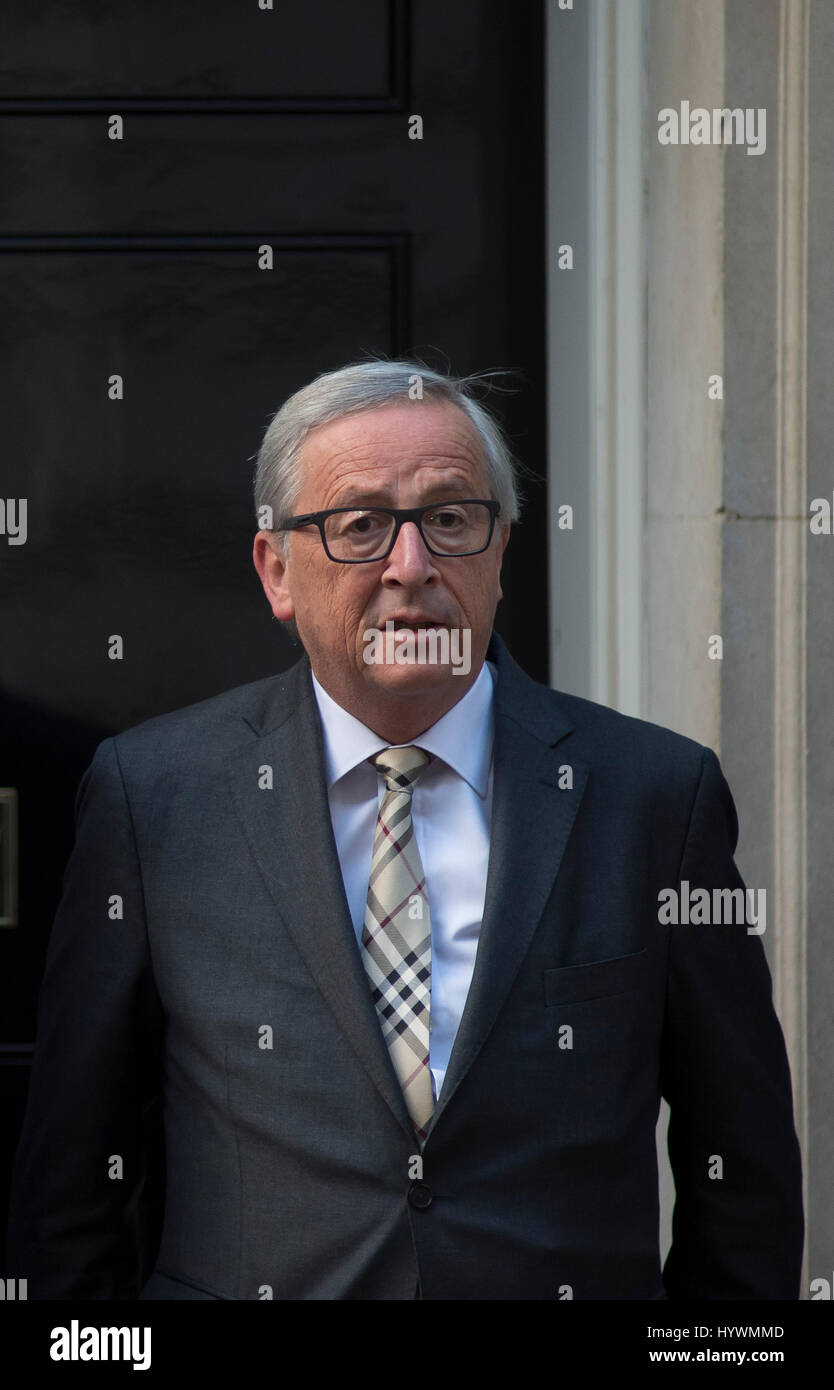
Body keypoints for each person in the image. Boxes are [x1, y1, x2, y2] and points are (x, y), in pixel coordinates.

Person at [6, 360, 803, 1300]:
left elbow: (742, 1165)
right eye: (360, 526)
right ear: (277, 571)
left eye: (452, 520)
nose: (411, 566)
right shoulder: (156, 797)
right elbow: (72, 1178)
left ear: (500, 551)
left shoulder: (655, 797)